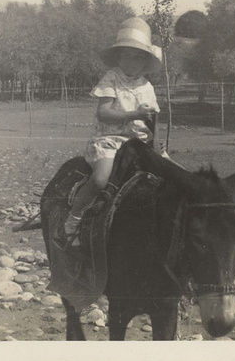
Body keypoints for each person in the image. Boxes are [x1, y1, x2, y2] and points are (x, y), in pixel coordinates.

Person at [59, 17, 163, 247]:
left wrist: (155, 139)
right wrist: (133, 115)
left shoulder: (147, 86)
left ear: (146, 61)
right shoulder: (111, 79)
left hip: (140, 143)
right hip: (111, 140)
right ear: (119, 56)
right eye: (128, 55)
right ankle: (73, 219)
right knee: (101, 178)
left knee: (173, 175)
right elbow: (103, 113)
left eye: (139, 57)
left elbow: (153, 118)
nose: (133, 61)